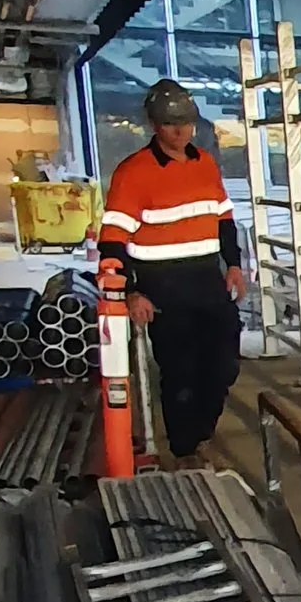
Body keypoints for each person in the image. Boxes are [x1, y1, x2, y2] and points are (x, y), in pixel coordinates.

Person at [99, 79, 246, 464]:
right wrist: (130, 291)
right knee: (180, 373)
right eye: (170, 123)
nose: (180, 131)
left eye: (186, 123)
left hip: (206, 282)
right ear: (153, 125)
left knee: (223, 365)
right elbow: (113, 237)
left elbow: (223, 219)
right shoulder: (133, 173)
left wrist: (233, 265)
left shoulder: (205, 164)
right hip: (163, 288)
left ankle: (200, 433)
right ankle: (185, 448)